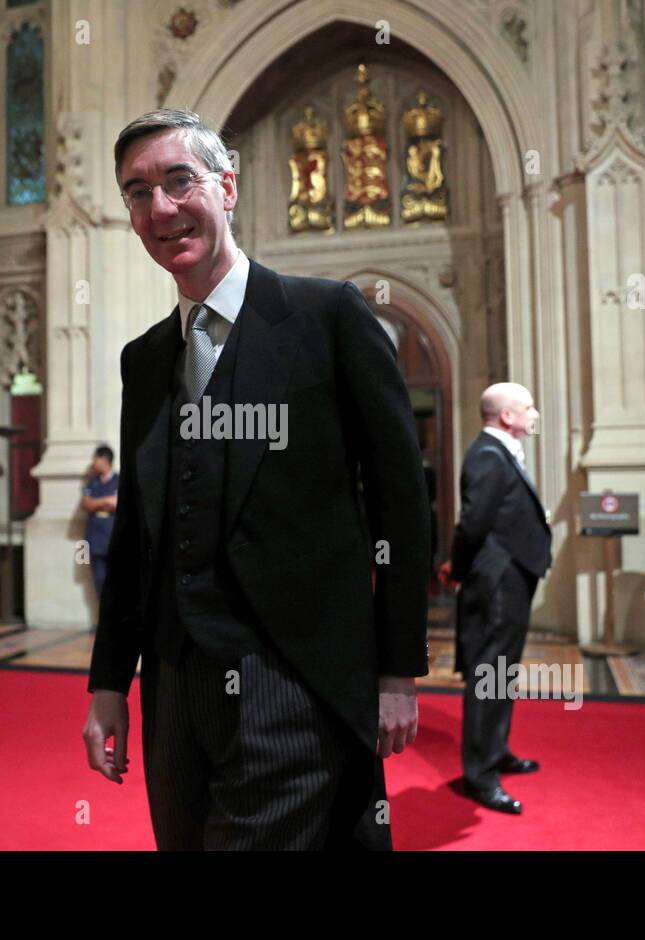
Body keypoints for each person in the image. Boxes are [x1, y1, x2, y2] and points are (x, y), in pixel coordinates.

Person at [81, 109, 430, 850]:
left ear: (228, 187)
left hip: (292, 678)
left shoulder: (327, 317)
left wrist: (399, 671)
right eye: (137, 192)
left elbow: (402, 505)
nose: (161, 208)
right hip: (174, 688)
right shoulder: (144, 360)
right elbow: (141, 534)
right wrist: (109, 683)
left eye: (180, 180)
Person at [449, 383, 552, 815]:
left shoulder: (500, 452)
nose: (535, 414)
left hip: (510, 577)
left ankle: (497, 749)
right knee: (489, 674)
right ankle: (480, 775)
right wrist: (458, 570)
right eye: (528, 407)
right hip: (496, 581)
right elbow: (472, 525)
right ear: (506, 416)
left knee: (501, 673)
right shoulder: (489, 456)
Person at [80, 444, 118, 608]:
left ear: (105, 459)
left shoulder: (120, 480)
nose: (93, 462)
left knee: (118, 582)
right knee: (99, 582)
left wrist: (98, 503)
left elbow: (119, 504)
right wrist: (106, 501)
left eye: (95, 458)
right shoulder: (91, 484)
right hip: (95, 541)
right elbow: (86, 504)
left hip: (115, 539)